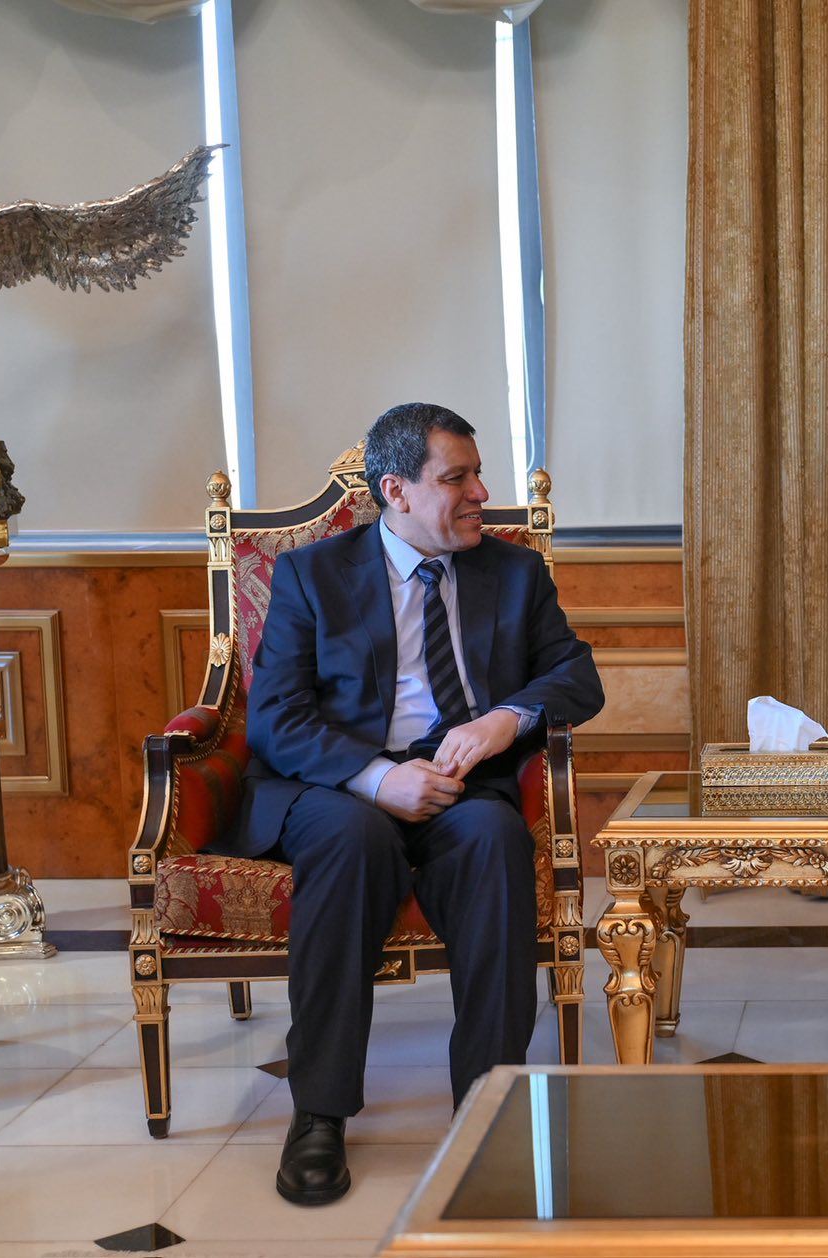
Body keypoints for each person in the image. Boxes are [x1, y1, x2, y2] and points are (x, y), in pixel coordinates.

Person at [222, 402, 604, 1205]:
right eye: (457, 478)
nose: (481, 493)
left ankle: (490, 1104)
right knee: (352, 840)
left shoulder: (513, 572)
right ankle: (319, 1113)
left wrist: (506, 719)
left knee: (496, 838)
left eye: (478, 474)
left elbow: (577, 676)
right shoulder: (313, 576)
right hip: (337, 787)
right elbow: (276, 718)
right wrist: (374, 778)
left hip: (462, 784)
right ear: (395, 490)